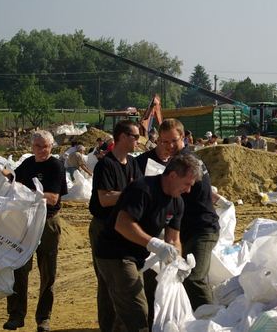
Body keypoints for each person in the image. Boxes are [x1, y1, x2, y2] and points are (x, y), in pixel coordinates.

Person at [93, 153, 202, 332]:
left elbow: (174, 239)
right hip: (114, 253)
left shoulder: (177, 203)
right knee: (136, 309)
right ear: (173, 176)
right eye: (187, 184)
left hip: (139, 257)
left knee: (148, 302)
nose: (188, 190)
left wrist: (177, 263)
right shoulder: (142, 189)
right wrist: (155, 244)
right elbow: (123, 224)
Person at [137, 119, 222, 312]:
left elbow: (168, 193)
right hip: (188, 230)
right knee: (183, 276)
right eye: (165, 142)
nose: (169, 146)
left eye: (174, 140)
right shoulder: (188, 158)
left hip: (202, 229)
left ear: (183, 137)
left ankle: (209, 322)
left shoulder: (180, 163)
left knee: (193, 278)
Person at [2, 130, 67, 331]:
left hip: (47, 222)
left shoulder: (56, 166)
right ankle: (16, 314)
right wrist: (0, 173)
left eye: (45, 146)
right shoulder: (28, 164)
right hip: (25, 222)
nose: (41, 150)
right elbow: (14, 180)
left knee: (48, 272)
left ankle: (43, 318)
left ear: (51, 147)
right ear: (32, 146)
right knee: (18, 268)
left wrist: (24, 190)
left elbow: (53, 198)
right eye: (38, 146)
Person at [88, 120, 144, 332]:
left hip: (124, 225)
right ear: (122, 137)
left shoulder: (132, 163)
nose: (139, 141)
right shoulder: (106, 165)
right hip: (104, 227)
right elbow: (104, 198)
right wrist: (131, 194)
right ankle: (107, 326)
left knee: (124, 280)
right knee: (107, 281)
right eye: (135, 137)